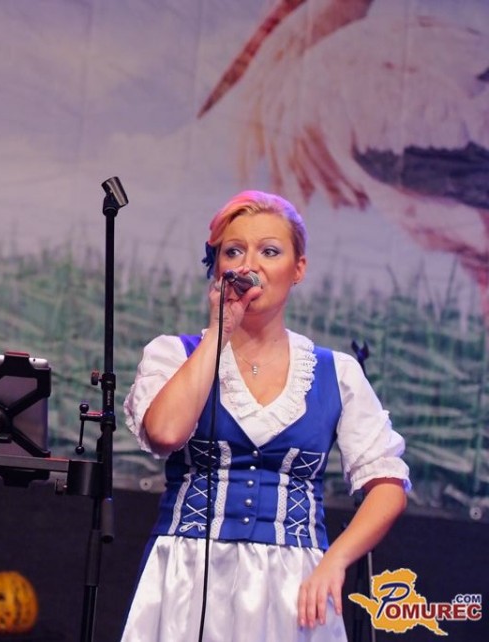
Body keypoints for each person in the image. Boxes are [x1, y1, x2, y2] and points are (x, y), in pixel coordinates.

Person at [120, 190, 409, 641]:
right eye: (234, 251)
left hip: (295, 581)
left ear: (298, 269)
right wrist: (220, 330)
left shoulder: (336, 373)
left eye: (270, 251)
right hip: (188, 575)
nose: (249, 265)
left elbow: (387, 485)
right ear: (217, 266)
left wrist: (334, 561)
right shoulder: (175, 354)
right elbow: (165, 433)